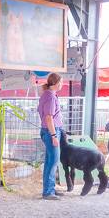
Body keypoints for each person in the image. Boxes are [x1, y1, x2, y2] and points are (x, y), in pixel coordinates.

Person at [38, 72, 63, 200]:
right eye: (61, 82)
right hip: (51, 131)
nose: (62, 84)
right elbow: (49, 118)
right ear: (56, 83)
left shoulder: (47, 95)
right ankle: (48, 192)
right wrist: (54, 135)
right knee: (53, 161)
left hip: (48, 130)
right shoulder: (51, 97)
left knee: (50, 161)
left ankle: (50, 189)